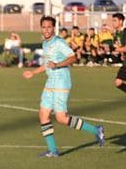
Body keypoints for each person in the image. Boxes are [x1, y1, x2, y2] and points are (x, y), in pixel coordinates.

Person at [22, 16, 106, 157]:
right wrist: (33, 72)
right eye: (44, 27)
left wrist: (58, 64)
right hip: (50, 81)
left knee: (61, 118)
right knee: (43, 114)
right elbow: (48, 64)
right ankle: (53, 150)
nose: (46, 30)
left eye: (49, 27)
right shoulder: (45, 43)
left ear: (53, 28)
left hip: (61, 81)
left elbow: (73, 57)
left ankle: (96, 130)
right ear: (41, 28)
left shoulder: (58, 42)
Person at [111, 13, 126, 94]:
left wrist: (119, 50)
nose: (113, 23)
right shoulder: (116, 34)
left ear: (121, 21)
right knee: (118, 82)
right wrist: (121, 54)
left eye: (115, 21)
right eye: (112, 21)